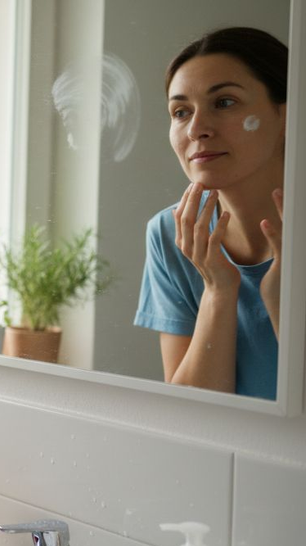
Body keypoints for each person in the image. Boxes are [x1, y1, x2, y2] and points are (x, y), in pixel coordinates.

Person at [135, 27, 287, 399]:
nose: (196, 129)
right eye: (181, 112)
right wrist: (219, 291)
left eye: (224, 102)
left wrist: (287, 302)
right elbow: (194, 421)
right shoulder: (170, 234)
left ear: (287, 115)